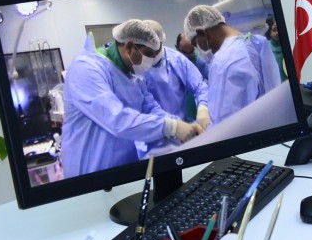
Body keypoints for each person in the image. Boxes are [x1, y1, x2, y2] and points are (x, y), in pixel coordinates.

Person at [61, 19, 205, 178]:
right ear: (130, 47)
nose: (150, 62)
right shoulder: (87, 69)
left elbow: (151, 108)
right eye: (148, 54)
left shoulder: (133, 75)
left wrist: (182, 126)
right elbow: (117, 120)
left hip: (125, 171)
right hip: (89, 176)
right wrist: (171, 127)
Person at [183, 5, 282, 124]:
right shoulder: (255, 42)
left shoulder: (224, 61)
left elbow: (226, 122)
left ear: (202, 33)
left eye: (196, 44)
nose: (198, 50)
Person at [140, 20, 211, 128]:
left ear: (161, 42)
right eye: (146, 50)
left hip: (182, 127)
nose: (152, 53)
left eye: (154, 48)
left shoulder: (177, 60)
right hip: (150, 130)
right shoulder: (134, 64)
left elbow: (200, 86)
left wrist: (203, 108)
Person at [265, 16, 288, 82]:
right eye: (274, 30)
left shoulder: (288, 44)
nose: (277, 33)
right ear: (269, 31)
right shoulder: (265, 47)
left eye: (279, 29)